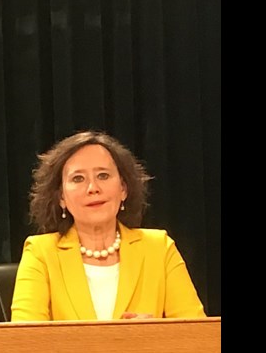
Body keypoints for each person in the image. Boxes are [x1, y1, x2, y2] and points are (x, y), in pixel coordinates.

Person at [10, 130, 205, 322]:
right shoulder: (40, 253)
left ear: (123, 189)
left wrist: (153, 335)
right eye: (78, 178)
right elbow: (24, 342)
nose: (93, 188)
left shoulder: (159, 248)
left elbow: (198, 338)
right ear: (61, 197)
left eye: (103, 176)